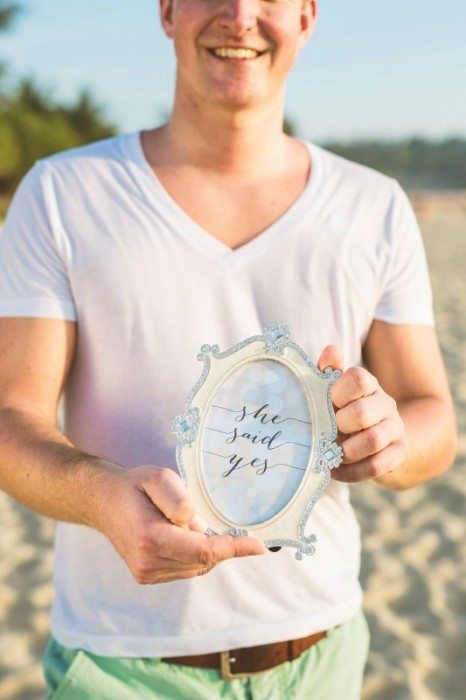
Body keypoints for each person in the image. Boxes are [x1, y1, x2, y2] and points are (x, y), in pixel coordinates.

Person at [0, 0, 456, 698]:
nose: (239, 15)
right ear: (168, 11)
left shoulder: (375, 205)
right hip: (120, 664)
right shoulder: (64, 194)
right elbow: (11, 419)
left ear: (306, 16)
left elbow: (434, 422)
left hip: (323, 652)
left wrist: (388, 439)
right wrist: (100, 497)